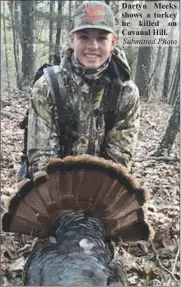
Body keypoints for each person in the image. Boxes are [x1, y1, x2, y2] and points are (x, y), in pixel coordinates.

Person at [27, 0, 140, 177]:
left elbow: (118, 158)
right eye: (84, 36)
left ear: (113, 42)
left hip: (102, 186)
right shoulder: (47, 86)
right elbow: (42, 158)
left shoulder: (126, 92)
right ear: (72, 40)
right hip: (54, 188)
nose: (93, 46)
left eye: (102, 37)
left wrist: (93, 199)